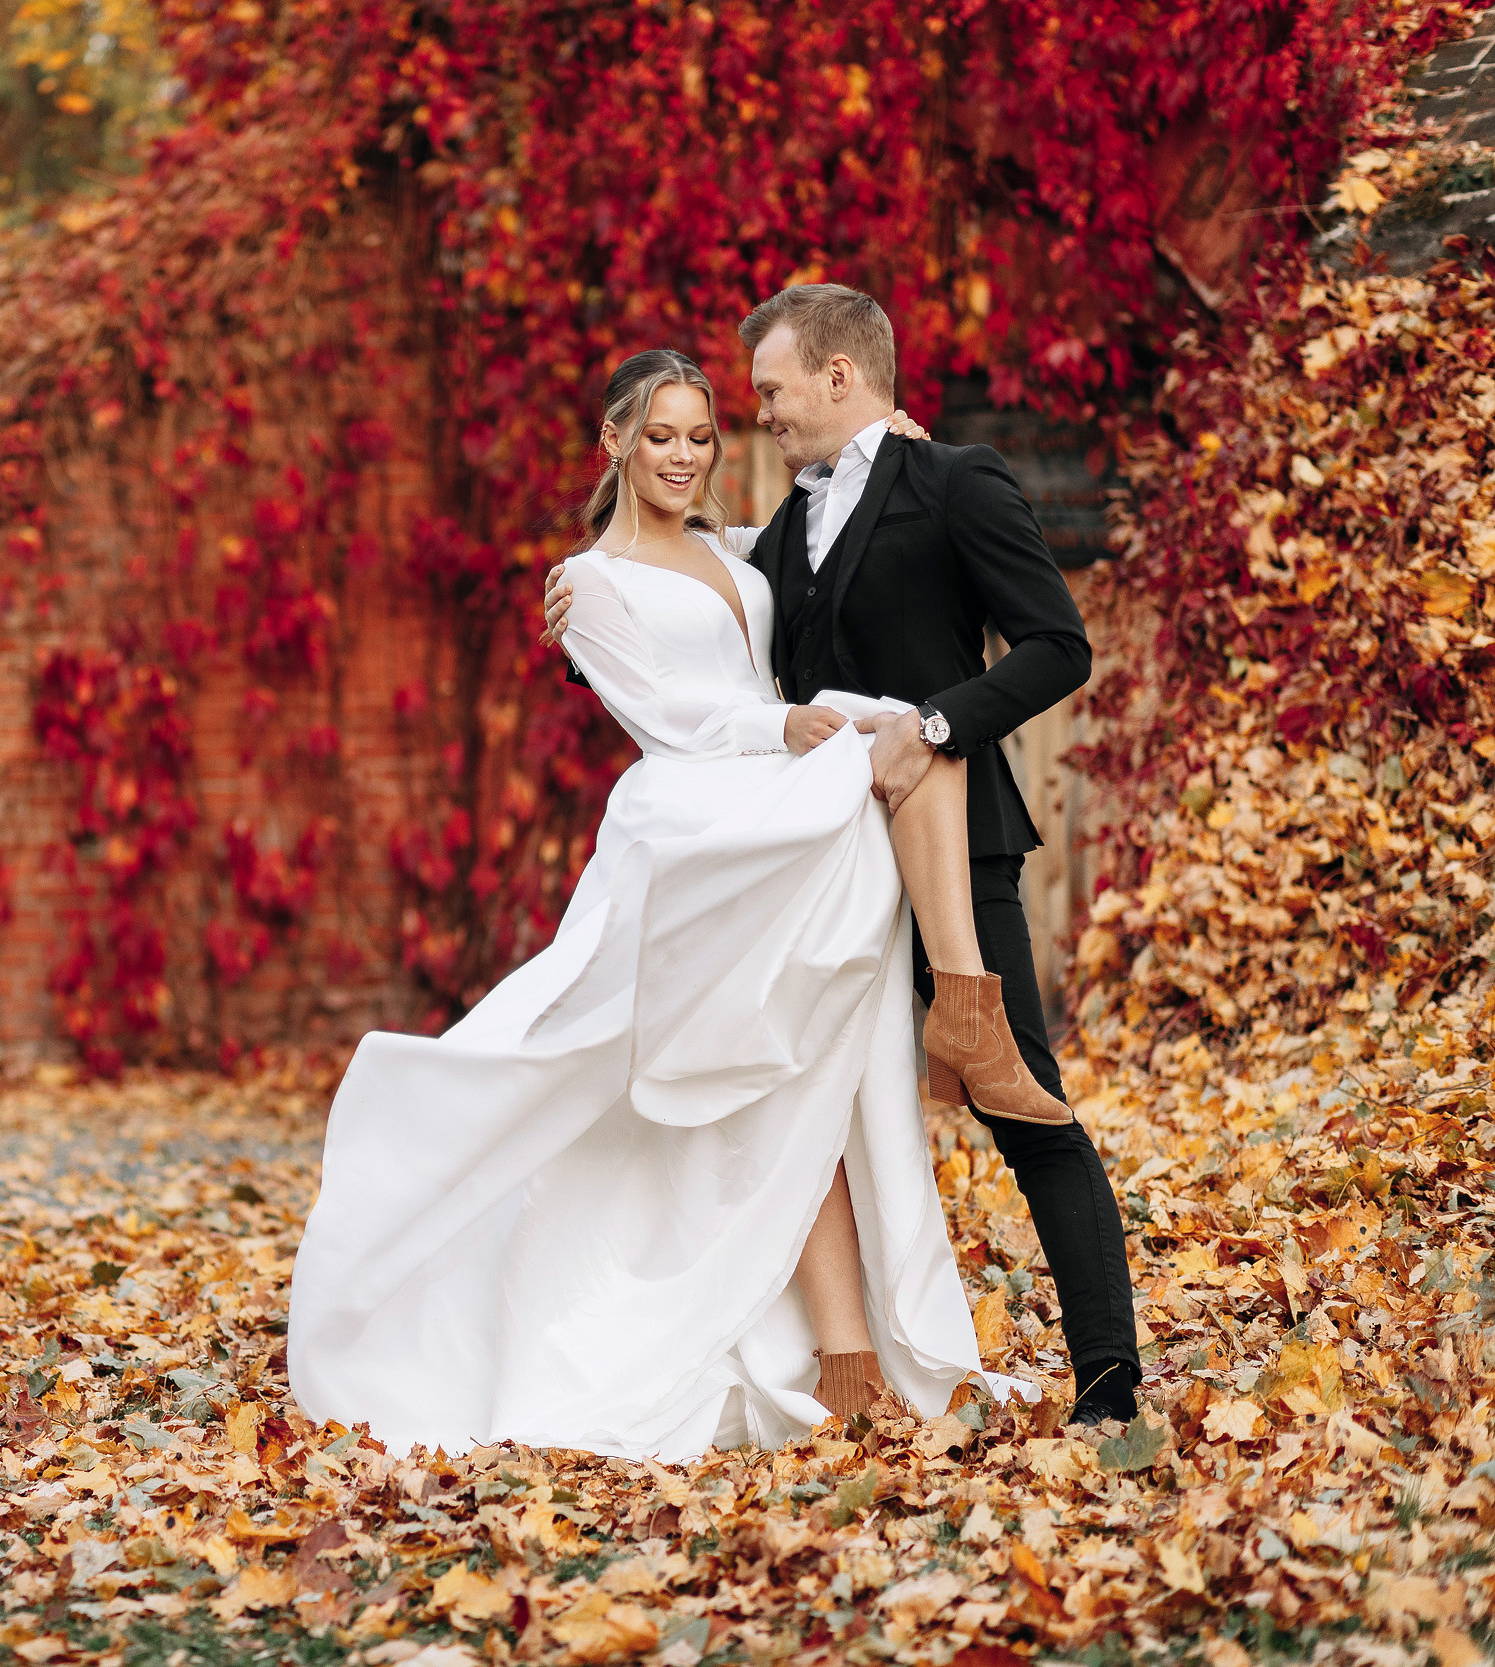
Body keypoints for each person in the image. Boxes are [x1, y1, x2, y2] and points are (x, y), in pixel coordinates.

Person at [285, 345, 1043, 1463]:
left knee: (813, 1047)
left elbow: (816, 546)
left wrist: (902, 448)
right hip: (700, 819)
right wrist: (775, 726)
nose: (684, 456)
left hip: (778, 792)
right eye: (660, 437)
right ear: (615, 443)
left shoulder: (731, 554)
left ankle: (957, 1023)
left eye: (699, 435)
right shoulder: (588, 581)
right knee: (758, 1072)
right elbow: (669, 711)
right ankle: (842, 1344)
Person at [540, 286, 1141, 1430]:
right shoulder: (779, 535)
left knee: (1024, 1108)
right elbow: (700, 626)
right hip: (814, 865)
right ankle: (845, 1363)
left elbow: (1059, 646)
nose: (755, 415)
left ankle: (1109, 1377)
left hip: (953, 849)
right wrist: (582, 622)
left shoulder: (955, 479)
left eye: (766, 391)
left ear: (836, 376)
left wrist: (940, 726)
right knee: (801, 1103)